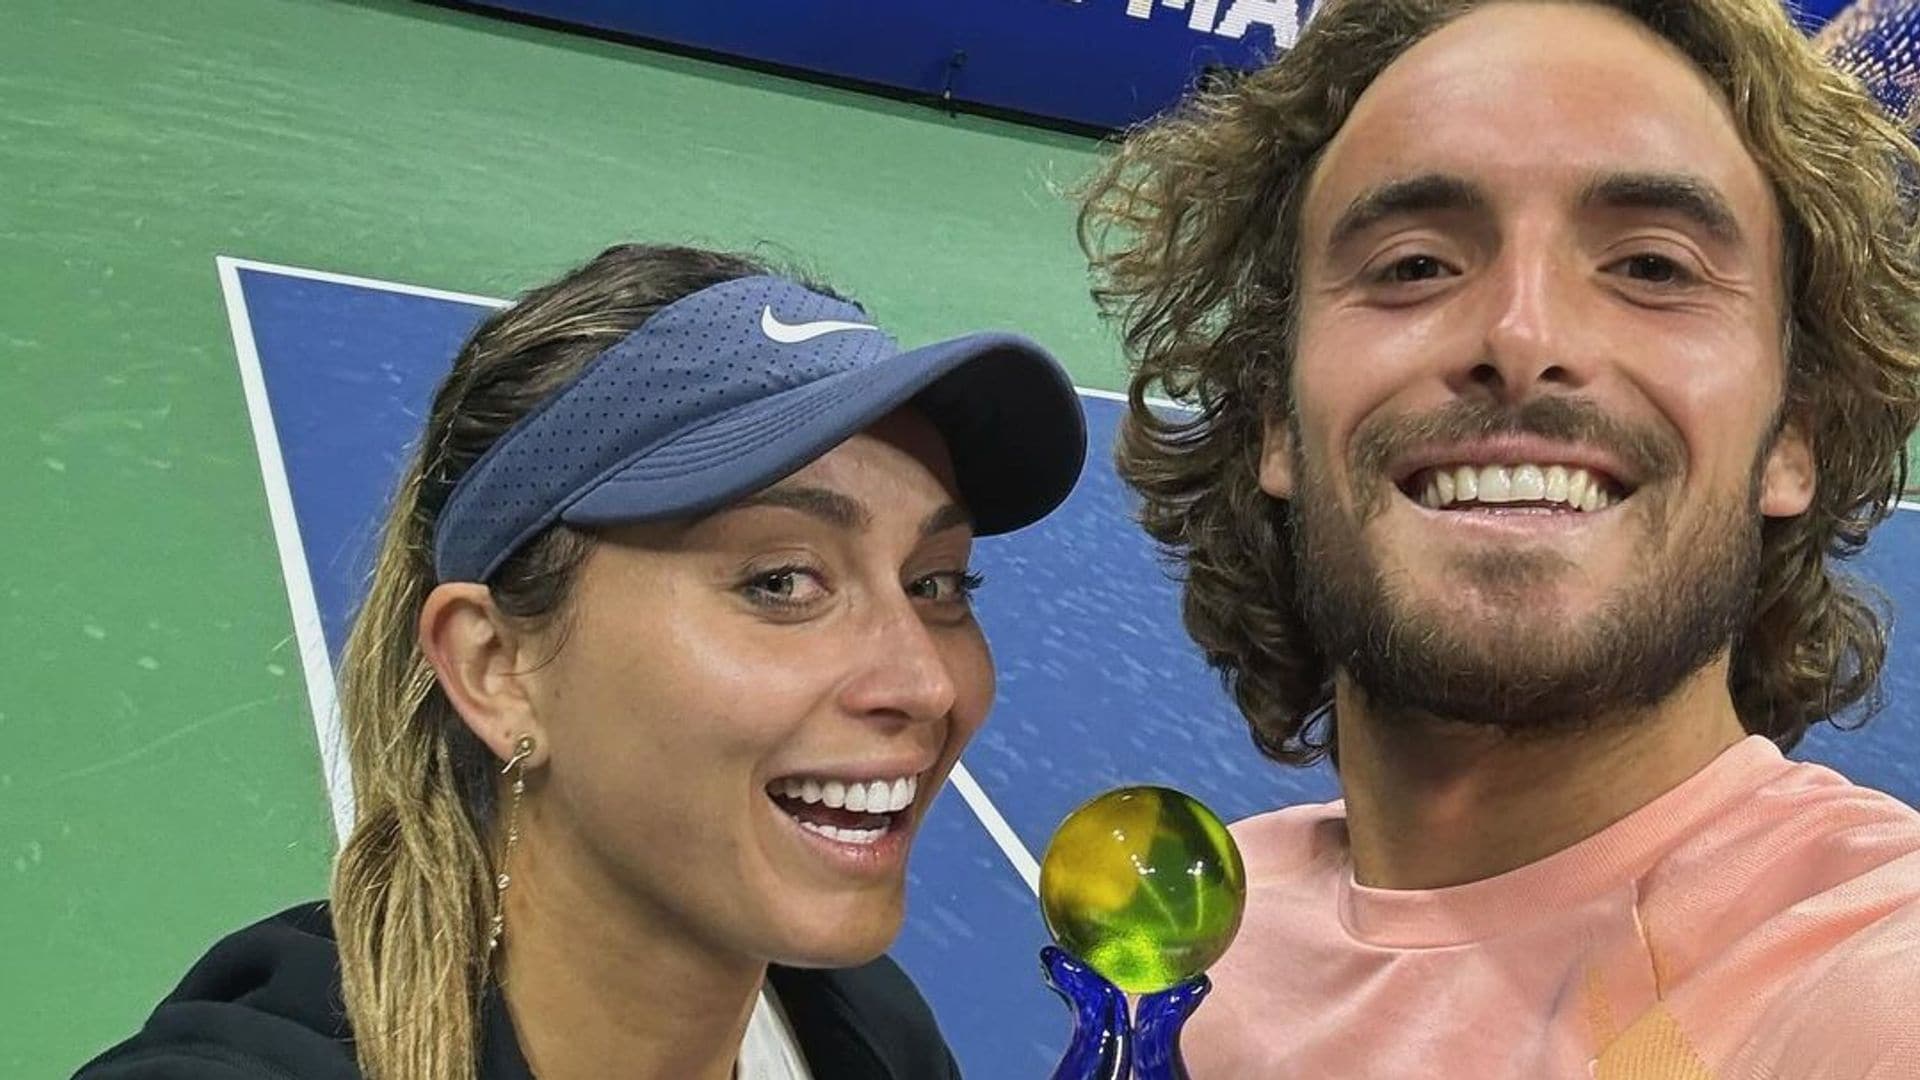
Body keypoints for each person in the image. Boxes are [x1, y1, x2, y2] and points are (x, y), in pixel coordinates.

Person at [1078, 0, 1920, 1076]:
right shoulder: (1198, 940)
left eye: (1652, 268)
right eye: (1416, 265)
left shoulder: (1870, 979)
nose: (1522, 338)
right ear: (1275, 419)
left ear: (1794, 436)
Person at [75, 243, 1087, 1079]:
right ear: (497, 666)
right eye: (781, 581)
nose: (926, 683)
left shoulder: (870, 1037)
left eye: (939, 583)